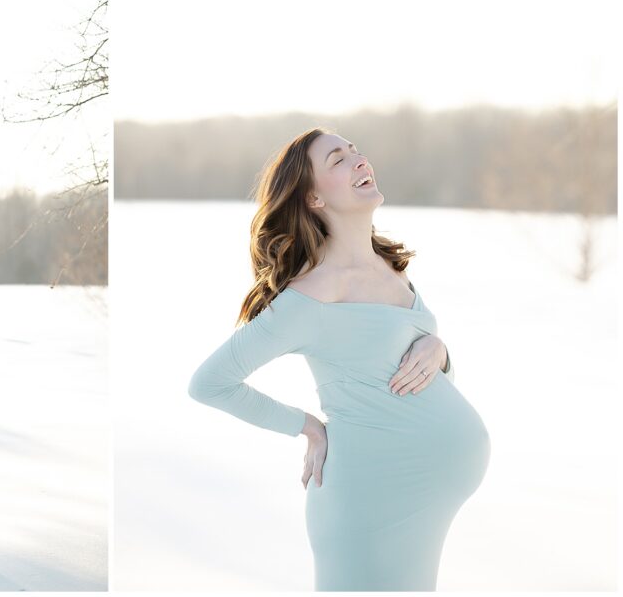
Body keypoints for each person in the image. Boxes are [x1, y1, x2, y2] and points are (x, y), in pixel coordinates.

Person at [188, 128, 490, 591]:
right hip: (369, 504)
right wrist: (307, 426)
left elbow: (417, 376)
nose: (359, 160)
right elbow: (210, 383)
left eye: (355, 151)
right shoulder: (312, 294)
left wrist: (440, 351)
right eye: (338, 159)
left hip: (423, 503)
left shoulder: (391, 266)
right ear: (313, 198)